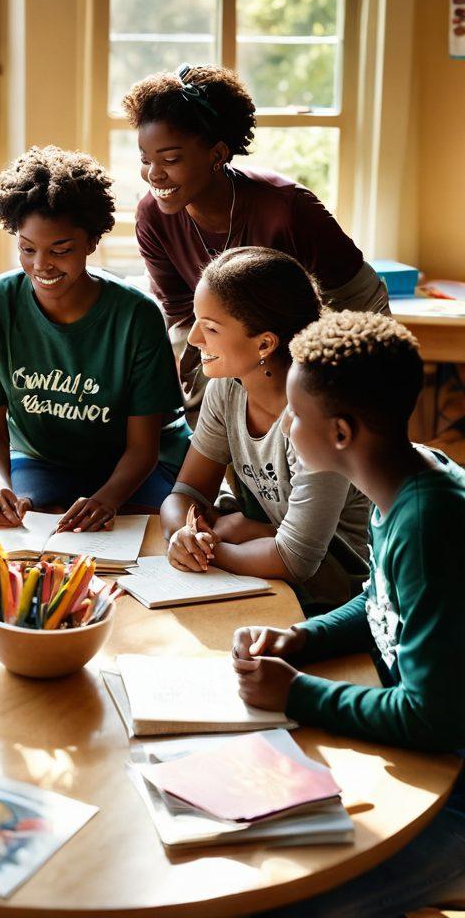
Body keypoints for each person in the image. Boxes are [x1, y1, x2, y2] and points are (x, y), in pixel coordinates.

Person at [231, 311, 465, 918]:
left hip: (452, 793)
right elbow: (377, 601)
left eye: (294, 414)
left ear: (339, 433)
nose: (283, 423)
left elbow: (432, 716)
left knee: (282, 900)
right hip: (428, 759)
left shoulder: (428, 520)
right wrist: (299, 639)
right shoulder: (407, 480)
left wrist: (298, 694)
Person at [0, 146, 190, 532]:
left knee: (163, 533)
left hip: (138, 462)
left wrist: (107, 499)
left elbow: (143, 447)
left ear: (92, 242)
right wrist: (1, 489)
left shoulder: (136, 316)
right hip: (41, 460)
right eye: (27, 249)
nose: (41, 265)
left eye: (61, 250)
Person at [124, 64, 388, 405]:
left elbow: (360, 303)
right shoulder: (152, 218)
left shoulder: (289, 209)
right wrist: (207, 397)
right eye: (145, 159)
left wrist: (330, 389)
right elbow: (181, 318)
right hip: (226, 366)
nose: (153, 175)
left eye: (170, 159)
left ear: (217, 155)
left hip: (310, 369)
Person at [160, 248, 369, 609]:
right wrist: (183, 533)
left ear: (264, 343)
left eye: (210, 327)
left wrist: (216, 549)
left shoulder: (316, 418)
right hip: (256, 560)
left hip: (335, 585)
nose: (194, 338)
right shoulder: (227, 387)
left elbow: (296, 559)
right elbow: (187, 491)